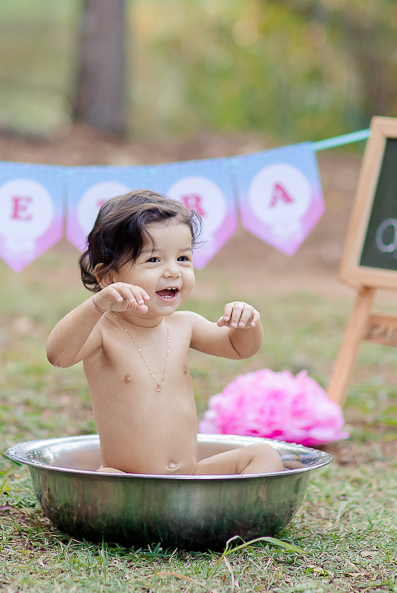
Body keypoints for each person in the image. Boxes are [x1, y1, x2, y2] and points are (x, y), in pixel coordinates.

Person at [47, 190, 284, 475]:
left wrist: (248, 323)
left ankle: (229, 513)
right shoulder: (102, 332)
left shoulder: (185, 325)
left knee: (264, 455)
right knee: (106, 479)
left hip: (189, 476)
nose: (173, 271)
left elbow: (239, 348)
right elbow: (58, 355)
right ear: (109, 277)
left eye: (183, 258)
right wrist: (96, 305)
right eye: (154, 260)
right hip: (127, 480)